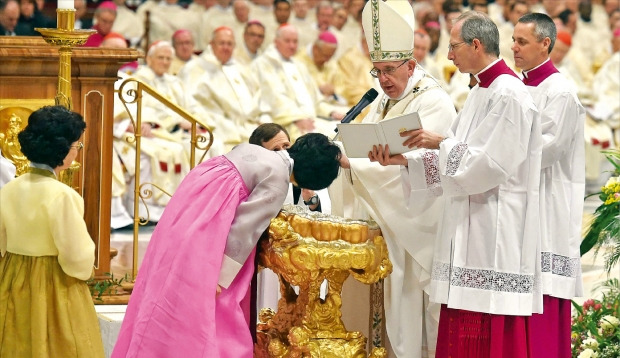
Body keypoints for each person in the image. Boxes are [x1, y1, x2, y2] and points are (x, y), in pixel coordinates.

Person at [369, 11, 542, 358]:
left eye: (454, 46)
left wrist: (438, 143)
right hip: (470, 220)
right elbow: (462, 153)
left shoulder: (508, 94)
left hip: (493, 226)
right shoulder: (482, 90)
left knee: (487, 327)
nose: (448, 56)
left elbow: (491, 165)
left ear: (476, 45)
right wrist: (402, 160)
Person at [111, 133, 343, 358]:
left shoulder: (257, 151)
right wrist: (220, 277)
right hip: (210, 230)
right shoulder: (278, 178)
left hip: (189, 210)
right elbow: (245, 229)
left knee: (169, 288)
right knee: (207, 306)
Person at [332, 1, 456, 357]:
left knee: (413, 309)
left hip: (417, 227)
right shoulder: (381, 101)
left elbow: (433, 169)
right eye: (377, 71)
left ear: (411, 64)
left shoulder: (434, 102)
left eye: (389, 70)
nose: (383, 79)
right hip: (384, 223)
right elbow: (365, 144)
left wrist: (356, 165)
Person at [0, 105, 105, 357]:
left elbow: (2, 240)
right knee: (61, 342)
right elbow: (75, 255)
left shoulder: (10, 188)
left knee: (16, 337)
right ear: (62, 150)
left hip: (14, 276)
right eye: (76, 146)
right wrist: (83, 270)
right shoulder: (63, 196)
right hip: (54, 281)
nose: (76, 151)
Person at [511, 13, 585, 357]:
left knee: (543, 297)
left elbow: (546, 149)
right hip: (519, 205)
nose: (514, 47)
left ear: (546, 44)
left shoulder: (561, 93)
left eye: (522, 42)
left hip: (546, 206)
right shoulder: (516, 86)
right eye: (513, 40)